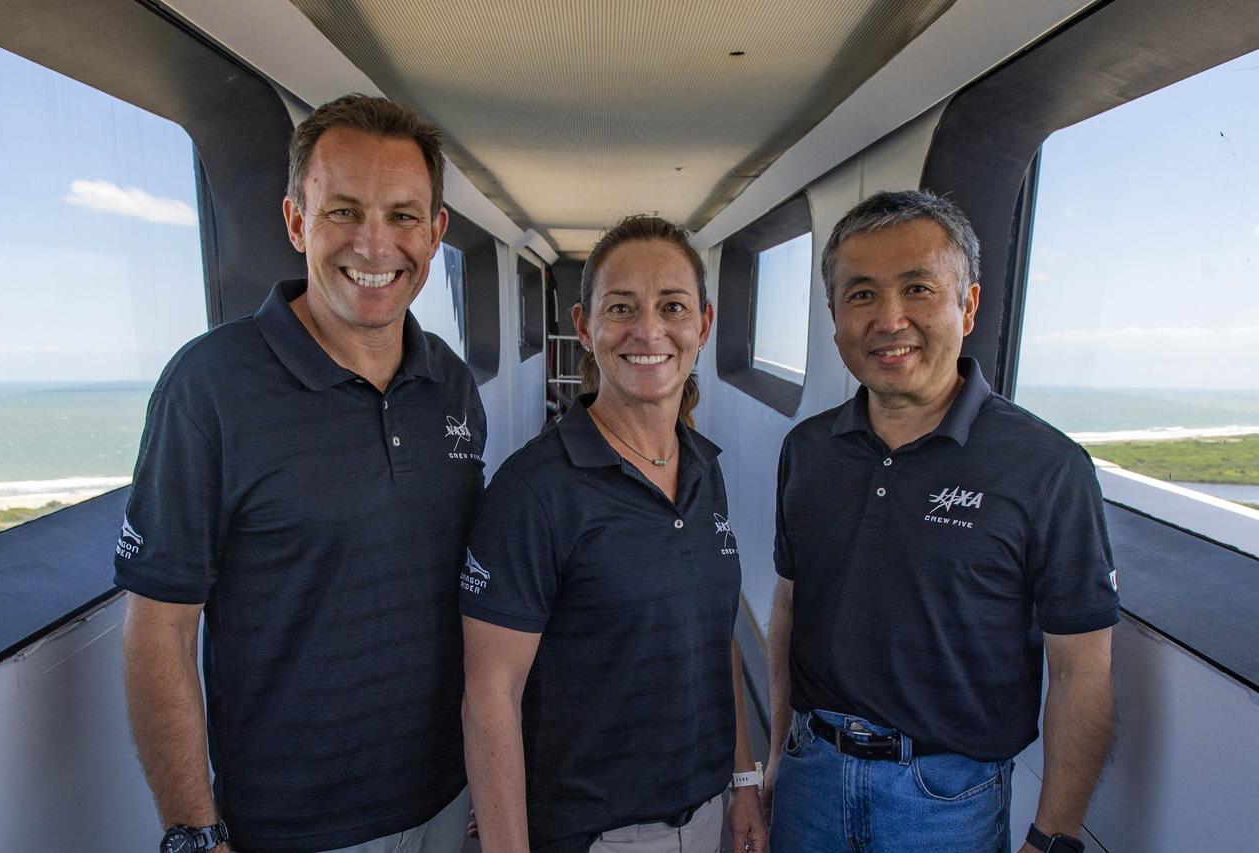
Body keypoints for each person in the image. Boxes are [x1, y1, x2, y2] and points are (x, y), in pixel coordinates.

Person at [115, 94, 485, 853]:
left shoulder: (451, 383)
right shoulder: (209, 387)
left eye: (404, 216)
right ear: (296, 223)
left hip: (449, 799)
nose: (375, 245)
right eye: (343, 211)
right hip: (294, 827)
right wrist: (196, 831)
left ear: (437, 231)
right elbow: (160, 628)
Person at [765, 190, 1118, 853]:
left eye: (918, 288)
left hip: (946, 804)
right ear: (835, 315)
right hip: (812, 777)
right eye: (861, 294)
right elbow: (788, 604)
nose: (889, 318)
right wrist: (781, 750)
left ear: (969, 305)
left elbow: (1082, 669)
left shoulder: (1047, 467)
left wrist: (1054, 837)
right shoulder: (807, 451)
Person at [460, 215, 768, 853]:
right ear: (584, 325)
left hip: (707, 813)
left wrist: (742, 780)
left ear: (703, 326)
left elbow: (717, 638)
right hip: (594, 835)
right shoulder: (533, 492)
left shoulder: (705, 470)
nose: (648, 331)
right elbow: (491, 696)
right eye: (621, 307)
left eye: (672, 307)